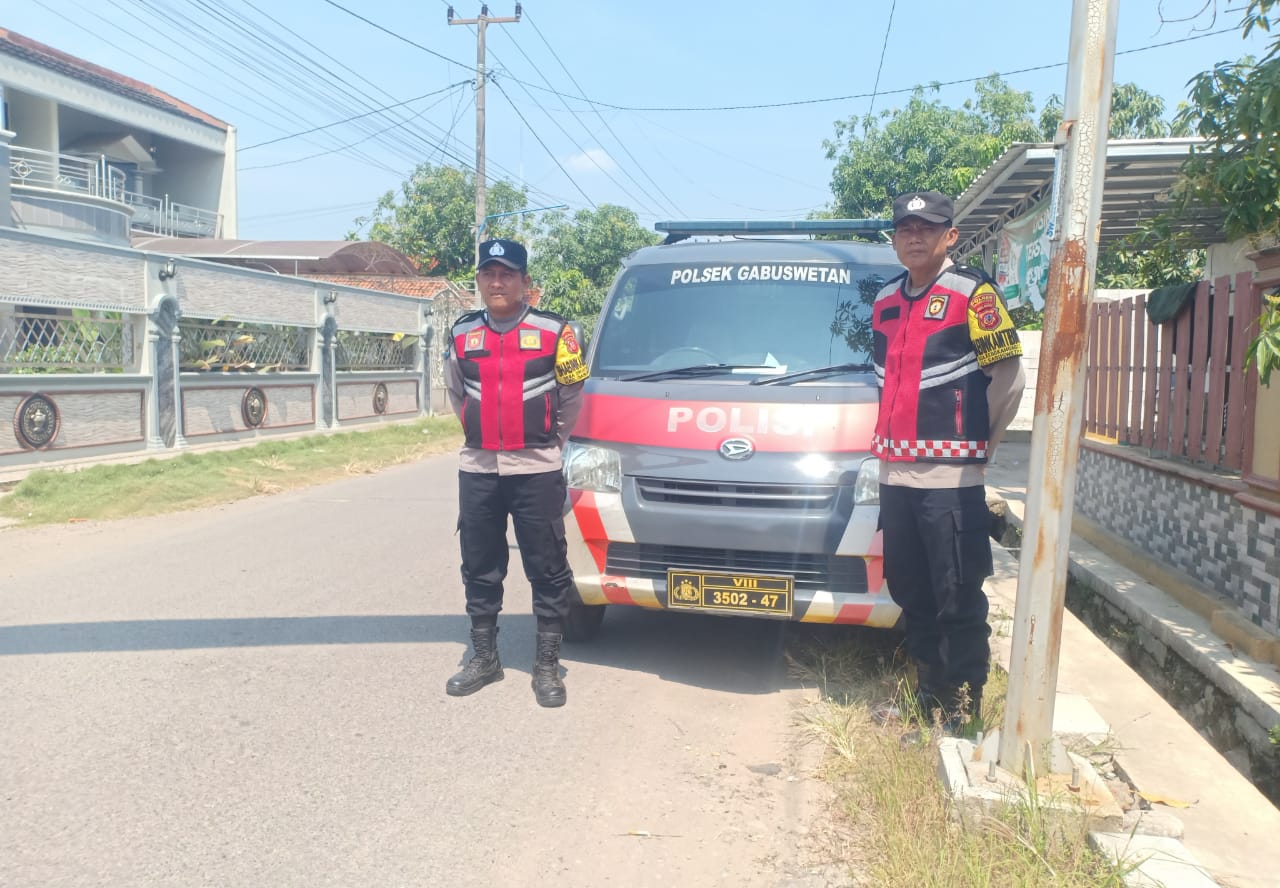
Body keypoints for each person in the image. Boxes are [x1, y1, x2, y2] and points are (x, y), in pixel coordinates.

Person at [871, 191, 1026, 734]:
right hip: (895, 476)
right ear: (894, 239)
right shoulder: (884, 300)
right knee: (911, 592)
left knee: (957, 596)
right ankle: (926, 698)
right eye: (905, 229)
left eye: (927, 228)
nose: (915, 237)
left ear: (950, 236)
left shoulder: (973, 294)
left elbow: (1008, 380)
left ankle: (962, 712)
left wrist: (980, 447)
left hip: (951, 480)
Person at [443, 238, 589, 708]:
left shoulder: (556, 332)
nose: (497, 282)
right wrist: (479, 430)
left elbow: (572, 394)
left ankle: (547, 665)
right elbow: (456, 392)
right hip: (478, 468)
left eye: (507, 274)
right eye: (489, 273)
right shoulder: (462, 332)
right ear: (479, 280)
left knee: (547, 566)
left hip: (537, 469)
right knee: (479, 565)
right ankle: (485, 658)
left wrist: (551, 442)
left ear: (526, 282)